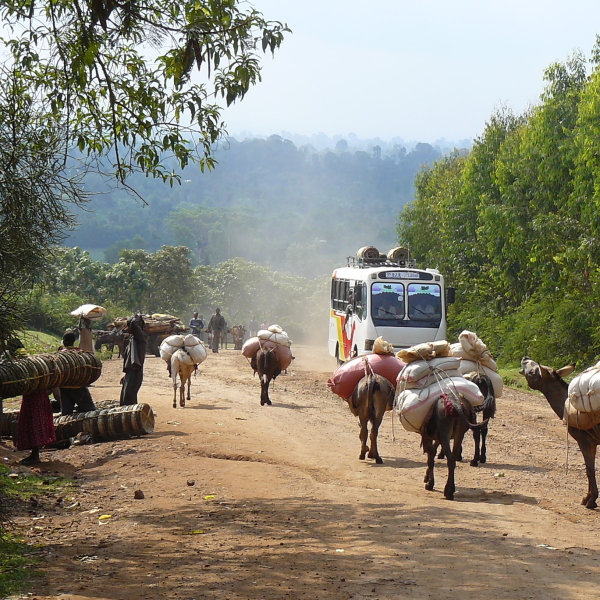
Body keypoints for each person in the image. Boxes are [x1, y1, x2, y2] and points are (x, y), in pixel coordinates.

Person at [54, 332, 97, 416]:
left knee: (66, 413)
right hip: (79, 387)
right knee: (90, 412)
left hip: (65, 387)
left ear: (64, 341)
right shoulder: (81, 353)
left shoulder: (59, 355)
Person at [16, 389, 56, 464]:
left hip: (35, 397)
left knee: (34, 422)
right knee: (33, 422)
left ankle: (35, 454)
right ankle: (34, 453)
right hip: (34, 395)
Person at [120, 314, 148, 405]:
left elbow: (133, 324)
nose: (127, 328)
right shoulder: (132, 339)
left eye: (128, 325)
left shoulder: (141, 338)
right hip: (131, 373)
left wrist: (135, 317)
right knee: (125, 399)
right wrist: (126, 376)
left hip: (135, 373)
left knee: (128, 400)